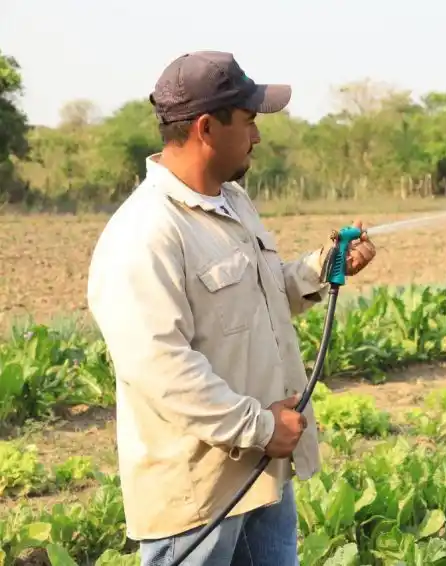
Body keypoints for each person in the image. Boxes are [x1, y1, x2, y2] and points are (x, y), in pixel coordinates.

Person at [86, 51, 377, 566]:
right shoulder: (145, 234)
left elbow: (258, 298)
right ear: (206, 127)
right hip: (200, 494)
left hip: (263, 473)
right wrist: (262, 428)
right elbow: (159, 368)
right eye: (248, 121)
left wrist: (320, 268)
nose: (257, 136)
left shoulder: (233, 201)